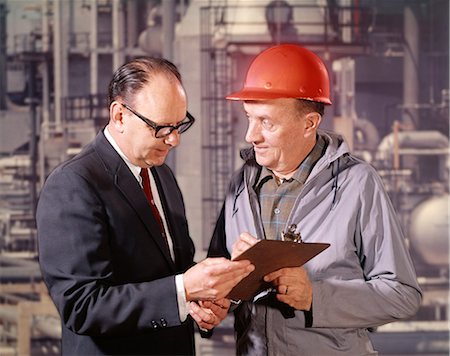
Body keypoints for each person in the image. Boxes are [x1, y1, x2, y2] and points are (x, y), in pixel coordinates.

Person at [208, 44, 422, 355]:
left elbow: (402, 295)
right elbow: (220, 281)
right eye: (248, 118)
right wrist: (221, 293)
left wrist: (315, 297)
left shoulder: (356, 184)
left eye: (266, 122)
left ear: (309, 123)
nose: (250, 135)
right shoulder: (242, 183)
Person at [36, 57, 254, 355]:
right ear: (120, 115)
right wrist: (184, 290)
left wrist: (200, 304)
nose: (174, 139)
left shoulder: (161, 174)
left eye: (180, 125)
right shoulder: (73, 185)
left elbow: (174, 270)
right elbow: (82, 306)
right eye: (161, 127)